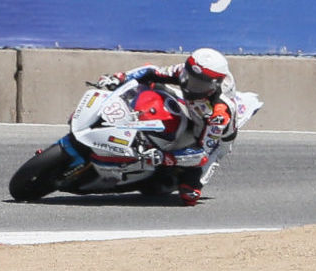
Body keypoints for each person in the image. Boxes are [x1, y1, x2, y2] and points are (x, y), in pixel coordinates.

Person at [92, 48, 242, 205]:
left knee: (190, 195)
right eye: (188, 77)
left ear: (213, 85)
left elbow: (202, 154)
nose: (189, 85)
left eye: (197, 84)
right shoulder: (186, 72)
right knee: (151, 84)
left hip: (211, 137)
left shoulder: (219, 115)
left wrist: (166, 158)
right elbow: (151, 71)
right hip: (193, 107)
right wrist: (121, 77)